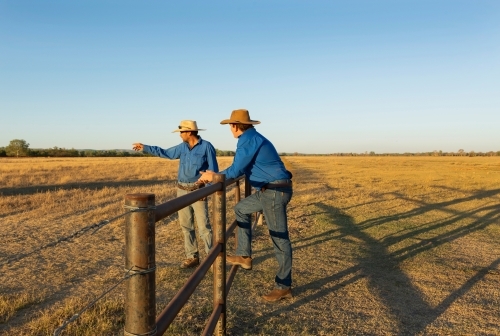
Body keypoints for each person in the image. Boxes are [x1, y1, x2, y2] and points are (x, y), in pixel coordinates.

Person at [198, 109, 293, 302]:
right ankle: (244, 255)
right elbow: (240, 168)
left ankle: (283, 286)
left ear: (234, 125)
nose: (230, 130)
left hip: (274, 193)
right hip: (269, 191)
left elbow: (236, 170)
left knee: (279, 239)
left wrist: (213, 176)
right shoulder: (252, 138)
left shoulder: (248, 140)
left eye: (230, 126)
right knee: (240, 209)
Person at [133, 120, 219, 269]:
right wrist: (145, 147)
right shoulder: (182, 147)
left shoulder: (207, 147)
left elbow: (213, 171)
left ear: (190, 132)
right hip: (181, 190)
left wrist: (206, 188)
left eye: (182, 132)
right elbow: (165, 153)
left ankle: (212, 259)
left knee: (204, 227)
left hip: (198, 190)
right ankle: (192, 257)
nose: (180, 135)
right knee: (186, 226)